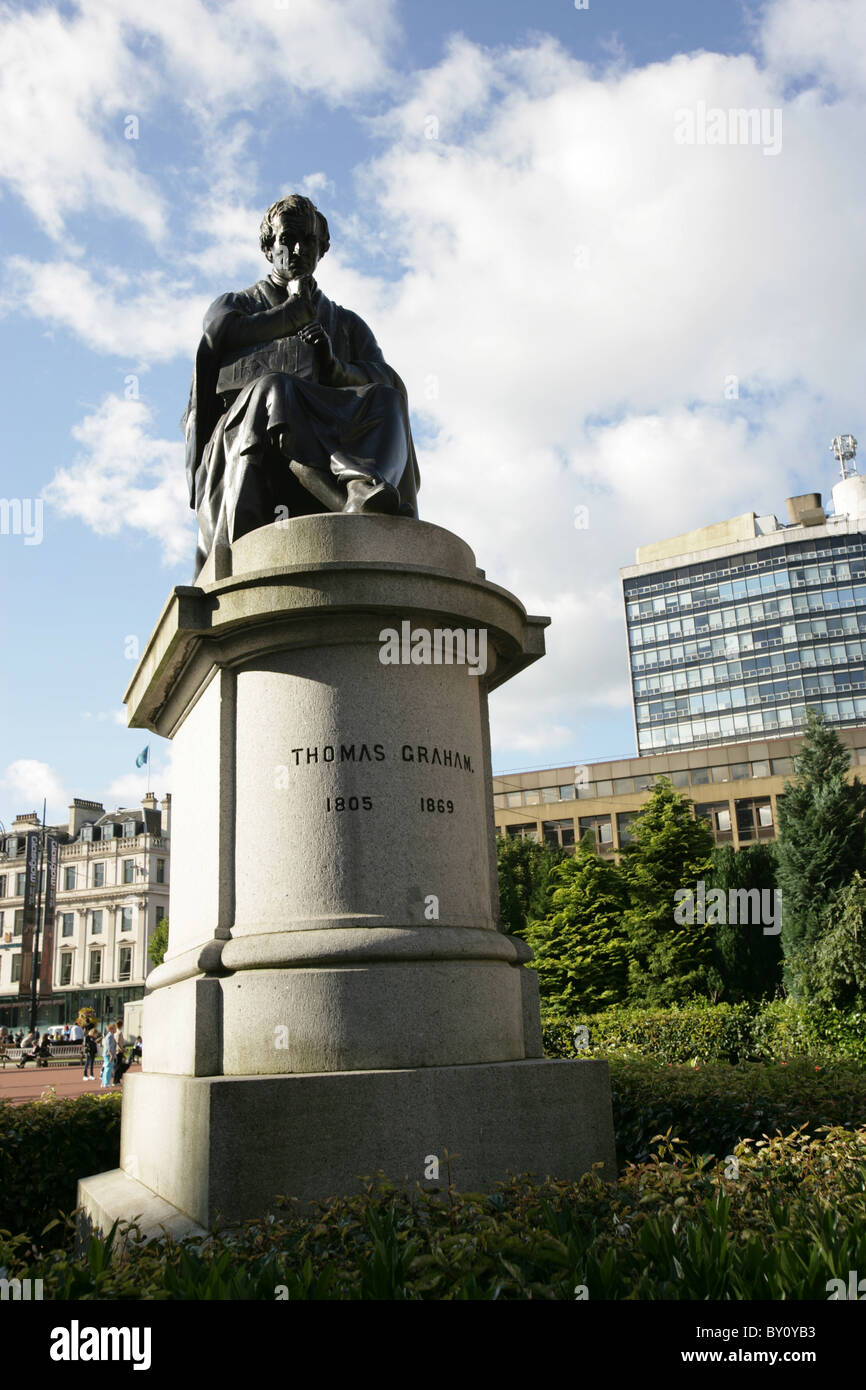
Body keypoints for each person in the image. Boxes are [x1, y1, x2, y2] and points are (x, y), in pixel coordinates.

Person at [183, 193, 419, 579]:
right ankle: (346, 497)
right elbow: (214, 344)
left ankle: (361, 491)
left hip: (325, 425)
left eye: (307, 241)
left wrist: (334, 367)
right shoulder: (236, 306)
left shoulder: (347, 324)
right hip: (249, 441)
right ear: (267, 247)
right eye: (285, 239)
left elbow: (384, 378)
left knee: (388, 399)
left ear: (322, 249)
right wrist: (290, 315)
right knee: (277, 389)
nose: (296, 249)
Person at [100, 1023, 117, 1089]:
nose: (116, 1029)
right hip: (108, 1054)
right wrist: (111, 1055)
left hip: (108, 1054)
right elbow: (108, 1046)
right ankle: (106, 1083)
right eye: (115, 1028)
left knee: (107, 1068)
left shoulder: (110, 1035)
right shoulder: (110, 1036)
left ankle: (104, 1083)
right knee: (108, 1068)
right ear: (112, 1029)